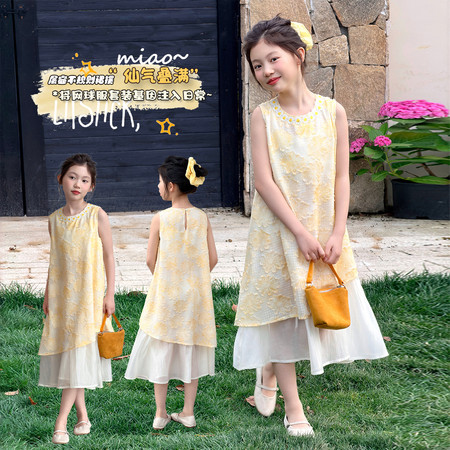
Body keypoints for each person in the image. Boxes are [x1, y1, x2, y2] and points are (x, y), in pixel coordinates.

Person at [233, 16, 388, 437]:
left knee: (316, 307)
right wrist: (299, 232)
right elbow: (264, 182)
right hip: (279, 231)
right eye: (257, 65)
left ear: (299, 55)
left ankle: (267, 371)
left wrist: (337, 232)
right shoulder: (262, 117)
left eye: (273, 59)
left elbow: (341, 177)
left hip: (323, 228)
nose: (266, 71)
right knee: (283, 315)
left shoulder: (332, 112)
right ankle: (294, 408)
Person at [125, 156, 218, 430]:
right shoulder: (202, 218)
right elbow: (213, 258)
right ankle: (188, 412)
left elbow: (149, 259)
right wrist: (194, 278)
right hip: (195, 298)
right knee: (191, 348)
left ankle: (160, 413)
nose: (157, 186)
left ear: (172, 186)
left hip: (166, 295)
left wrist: (166, 278)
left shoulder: (160, 219)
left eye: (160, 181)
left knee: (162, 349)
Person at [38, 153, 115, 445]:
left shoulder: (97, 215)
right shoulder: (54, 220)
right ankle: (83, 416)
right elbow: (55, 261)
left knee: (77, 352)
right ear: (61, 179)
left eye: (84, 180)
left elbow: (109, 255)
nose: (77, 184)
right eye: (72, 177)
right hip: (62, 298)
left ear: (91, 186)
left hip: (88, 297)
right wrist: (47, 293)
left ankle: (60, 423)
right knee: (73, 357)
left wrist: (109, 293)